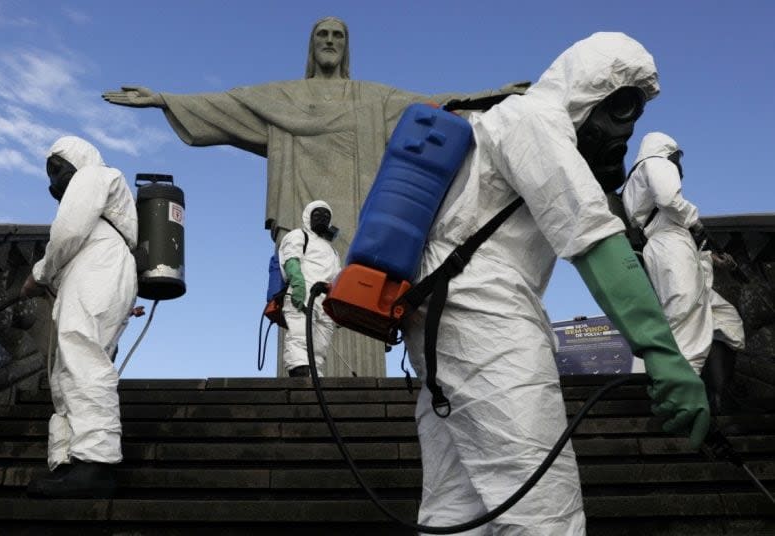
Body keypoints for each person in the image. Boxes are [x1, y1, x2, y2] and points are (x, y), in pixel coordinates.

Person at [401, 33, 709, 534]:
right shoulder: (534, 119)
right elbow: (594, 238)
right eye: (622, 108)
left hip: (447, 321)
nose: (624, 132)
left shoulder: (502, 122)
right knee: (545, 509)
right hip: (484, 316)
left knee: (458, 509)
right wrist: (662, 353)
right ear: (592, 89)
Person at [102, 16, 527, 376]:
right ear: (311, 46)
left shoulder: (371, 98)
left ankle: (358, 378)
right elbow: (228, 105)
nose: (329, 42)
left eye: (337, 35)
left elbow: (433, 106)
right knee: (300, 298)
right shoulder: (285, 96)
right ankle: (303, 378)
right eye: (321, 35)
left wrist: (493, 97)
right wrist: (164, 99)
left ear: (347, 48)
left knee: (357, 286)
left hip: (360, 218)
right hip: (300, 217)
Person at [21, 135, 138, 499]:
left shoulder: (94, 175)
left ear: (76, 160)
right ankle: (69, 460)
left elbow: (69, 230)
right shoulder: (100, 188)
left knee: (82, 354)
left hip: (98, 266)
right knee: (68, 366)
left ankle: (96, 462)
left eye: (56, 169)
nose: (52, 180)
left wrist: (40, 273)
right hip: (93, 268)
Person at [623, 132, 745, 412]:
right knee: (684, 317)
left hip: (674, 247)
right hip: (670, 245)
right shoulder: (656, 162)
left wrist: (714, 259)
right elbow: (669, 200)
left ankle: (719, 394)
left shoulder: (635, 180)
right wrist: (695, 220)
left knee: (726, 320)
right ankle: (680, 400)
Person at [279, 200, 341, 377]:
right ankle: (298, 367)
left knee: (320, 343)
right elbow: (291, 259)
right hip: (304, 293)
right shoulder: (298, 235)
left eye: (326, 216)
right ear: (308, 217)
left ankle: (314, 370)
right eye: (317, 214)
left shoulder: (332, 251)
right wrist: (297, 283)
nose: (322, 218)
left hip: (325, 302)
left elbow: (336, 277)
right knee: (300, 333)